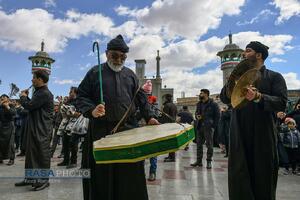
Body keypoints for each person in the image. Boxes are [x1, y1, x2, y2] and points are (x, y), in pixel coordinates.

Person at [76, 34, 159, 200]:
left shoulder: (131, 75)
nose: (119, 59)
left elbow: (141, 99)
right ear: (107, 54)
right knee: (102, 174)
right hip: (101, 131)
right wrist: (92, 110)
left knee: (129, 172)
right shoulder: (94, 73)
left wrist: (149, 117)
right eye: (115, 55)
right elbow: (81, 97)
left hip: (128, 131)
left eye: (123, 57)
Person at [220, 41, 287, 200]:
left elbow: (281, 102)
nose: (244, 54)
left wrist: (259, 97)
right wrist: (232, 82)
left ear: (259, 55)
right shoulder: (238, 78)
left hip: (262, 134)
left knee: (263, 176)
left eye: (248, 51)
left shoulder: (274, 77)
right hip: (239, 133)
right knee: (239, 175)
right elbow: (225, 98)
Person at [15, 70, 54, 191]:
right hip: (36, 127)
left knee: (41, 155)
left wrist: (23, 97)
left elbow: (30, 105)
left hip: (42, 129)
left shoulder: (44, 93)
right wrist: (26, 98)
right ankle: (30, 178)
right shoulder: (39, 92)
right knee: (32, 155)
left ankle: (43, 181)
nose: (32, 80)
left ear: (40, 80)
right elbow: (33, 106)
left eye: (34, 78)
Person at [191, 89, 220, 169]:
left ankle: (209, 161)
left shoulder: (213, 104)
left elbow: (217, 116)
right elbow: (196, 113)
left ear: (206, 94)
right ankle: (199, 161)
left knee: (209, 145)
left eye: (201, 93)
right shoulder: (199, 104)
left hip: (208, 127)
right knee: (199, 145)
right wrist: (197, 116)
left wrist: (213, 126)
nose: (200, 94)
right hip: (200, 126)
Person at [161, 94, 178, 162]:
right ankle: (170, 156)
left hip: (168, 125)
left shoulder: (167, 105)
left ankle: (172, 157)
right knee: (172, 140)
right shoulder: (174, 105)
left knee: (170, 141)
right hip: (173, 124)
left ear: (167, 98)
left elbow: (164, 116)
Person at [0, 94, 16, 165]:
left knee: (11, 143)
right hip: (1, 125)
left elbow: (13, 113)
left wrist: (7, 106)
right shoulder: (0, 106)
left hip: (9, 125)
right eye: (1, 98)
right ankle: (1, 158)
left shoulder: (11, 105)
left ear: (8, 98)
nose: (2, 99)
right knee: (1, 143)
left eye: (4, 98)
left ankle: (11, 159)